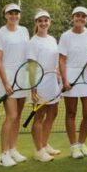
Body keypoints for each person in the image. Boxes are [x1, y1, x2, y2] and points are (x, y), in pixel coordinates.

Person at [58, 6, 87, 159]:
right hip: (70, 75)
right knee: (71, 112)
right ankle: (74, 146)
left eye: (83, 16)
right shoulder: (65, 36)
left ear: (86, 19)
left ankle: (81, 143)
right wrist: (65, 80)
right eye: (78, 15)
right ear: (73, 17)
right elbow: (62, 60)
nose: (80, 18)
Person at [0, 3, 30, 167]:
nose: (14, 16)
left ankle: (13, 149)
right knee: (12, 116)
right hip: (7, 79)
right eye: (10, 13)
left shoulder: (24, 31)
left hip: (23, 78)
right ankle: (3, 154)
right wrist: (5, 82)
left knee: (18, 116)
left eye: (16, 13)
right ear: (5, 15)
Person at [27, 9, 62, 162]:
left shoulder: (52, 39)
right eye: (40, 21)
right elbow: (31, 67)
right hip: (39, 83)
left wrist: (58, 75)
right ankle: (38, 150)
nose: (43, 23)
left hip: (53, 81)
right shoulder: (33, 42)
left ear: (49, 22)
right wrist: (33, 88)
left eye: (46, 20)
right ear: (36, 23)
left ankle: (45, 144)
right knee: (39, 116)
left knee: (53, 114)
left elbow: (56, 60)